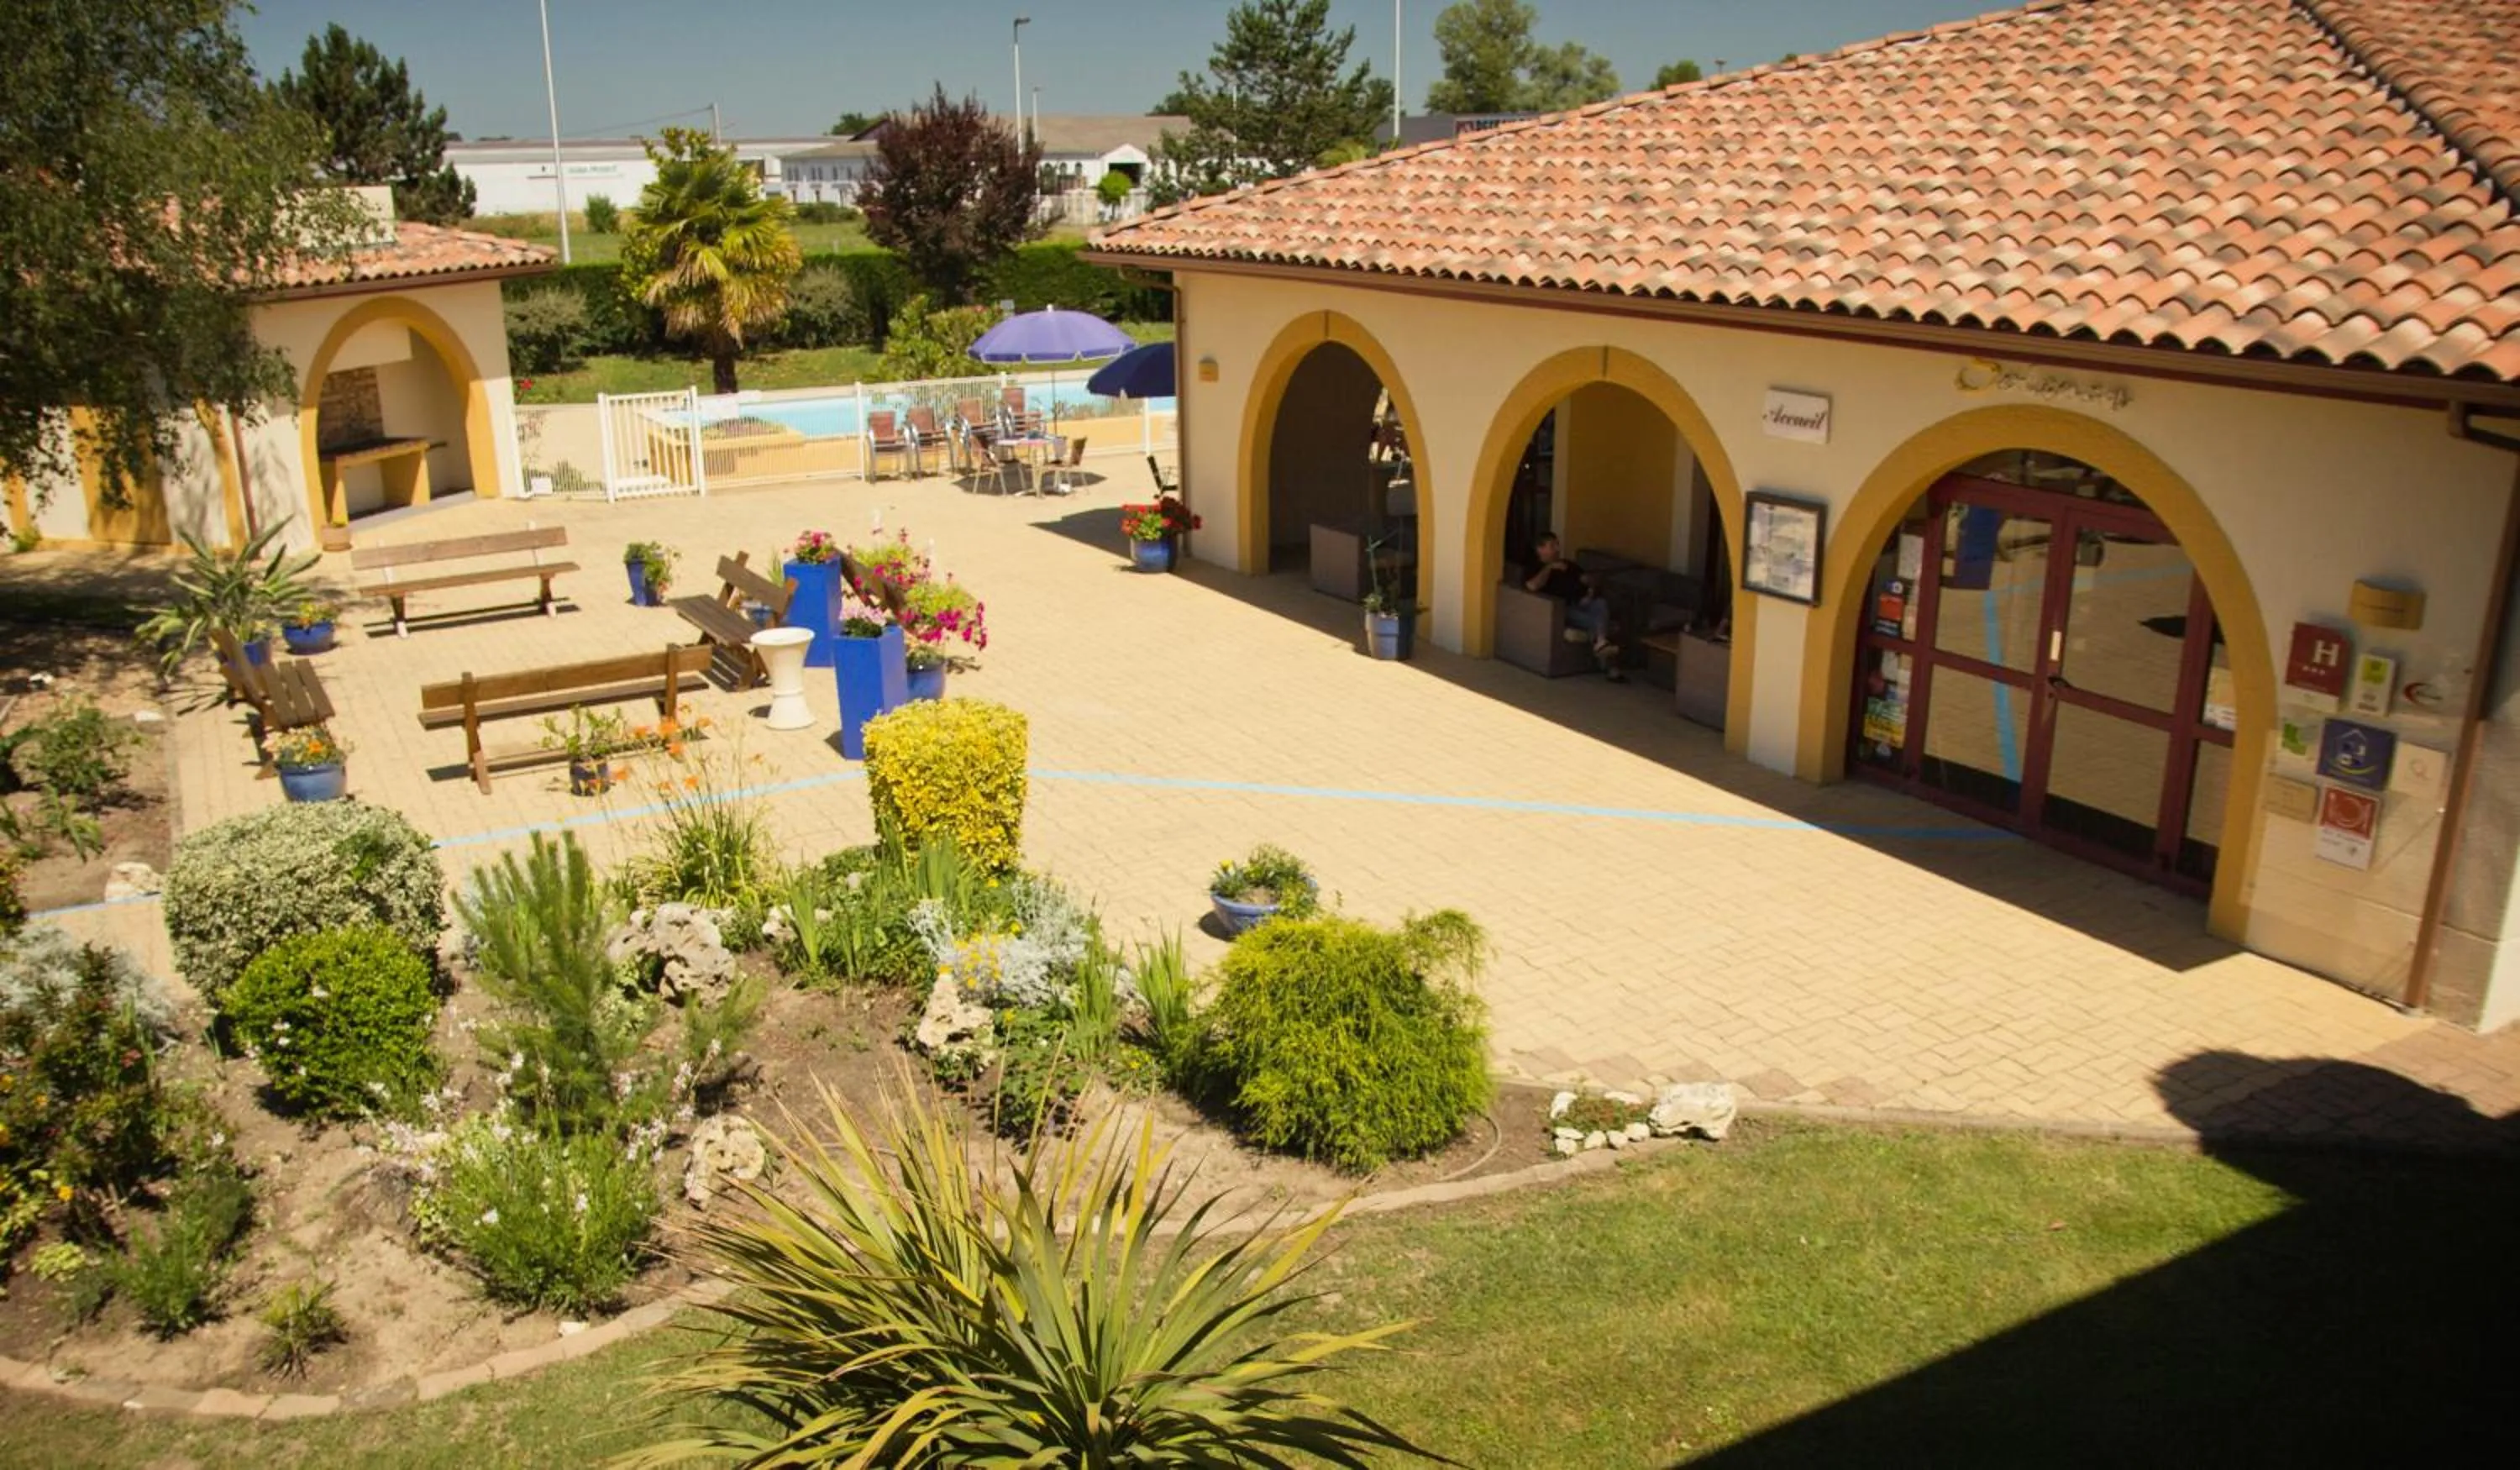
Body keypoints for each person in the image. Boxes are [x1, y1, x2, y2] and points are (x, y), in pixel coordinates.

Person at [1523, 534, 1623, 680]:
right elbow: (1532, 586)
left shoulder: (1568, 565)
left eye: (1557, 545)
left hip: (1583, 602)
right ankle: (1609, 664)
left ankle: (1600, 642)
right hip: (1563, 609)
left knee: (1601, 603)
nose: (1557, 549)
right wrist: (1550, 568)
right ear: (1540, 549)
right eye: (1552, 546)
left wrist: (1590, 589)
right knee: (1598, 623)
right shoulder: (1535, 567)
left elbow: (1587, 579)